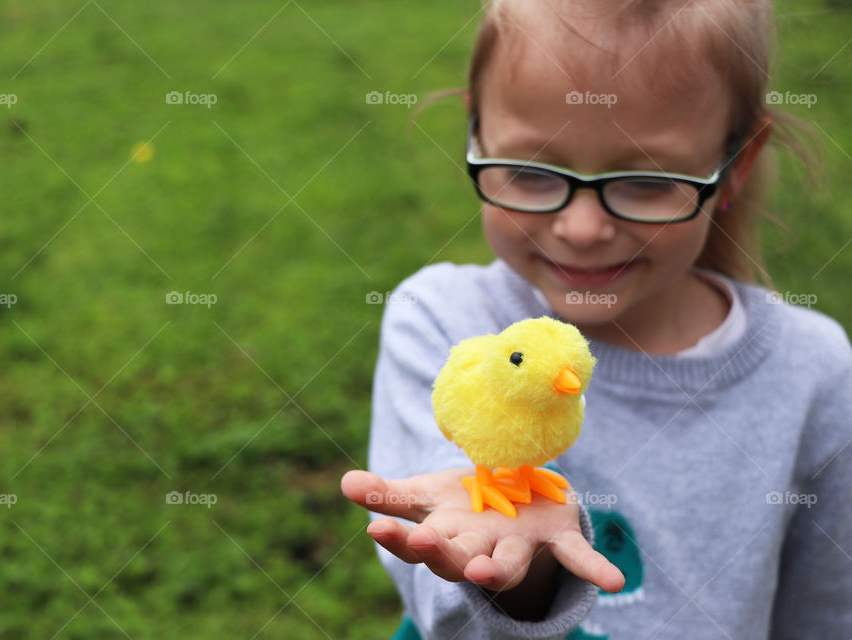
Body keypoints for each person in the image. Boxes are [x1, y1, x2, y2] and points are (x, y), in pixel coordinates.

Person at [339, 0, 852, 638]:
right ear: (477, 136)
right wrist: (519, 568)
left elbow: (827, 611)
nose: (582, 229)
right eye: (530, 171)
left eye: (648, 181)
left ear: (736, 165)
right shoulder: (445, 322)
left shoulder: (815, 370)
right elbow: (445, 596)